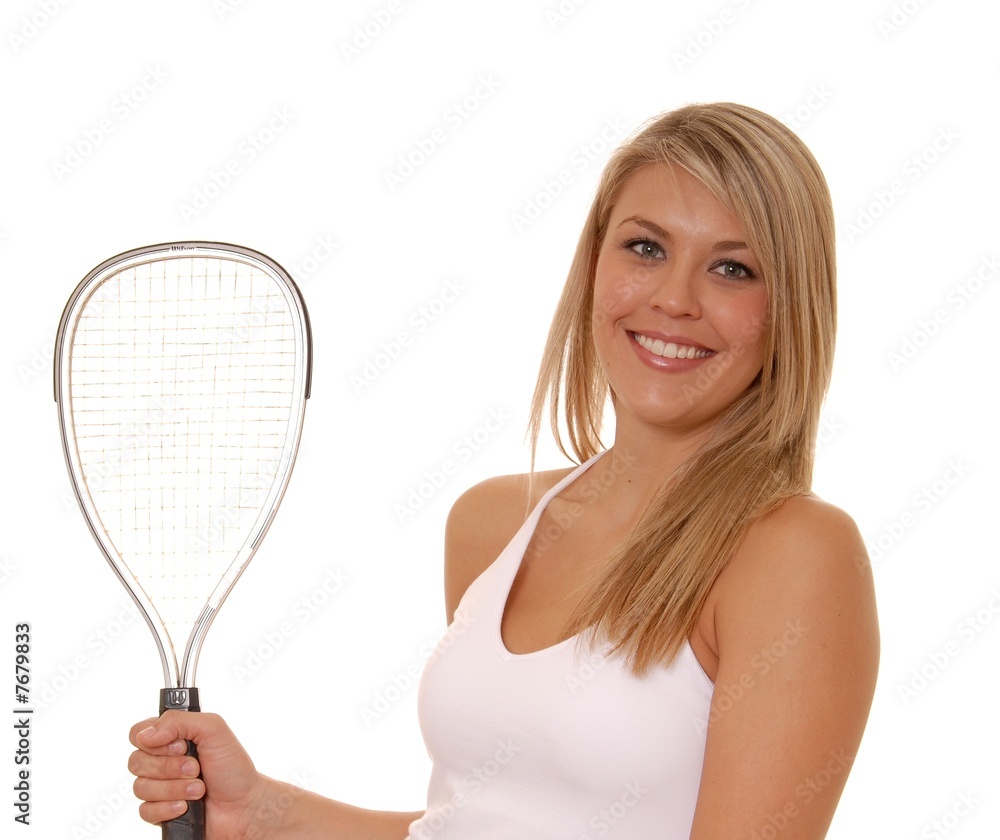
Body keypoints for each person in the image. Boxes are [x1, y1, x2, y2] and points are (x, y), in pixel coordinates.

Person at [129, 102, 879, 839]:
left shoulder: (794, 555)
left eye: (732, 268)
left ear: (789, 309)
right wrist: (265, 815)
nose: (675, 299)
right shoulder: (493, 525)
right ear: (594, 265)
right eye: (646, 248)